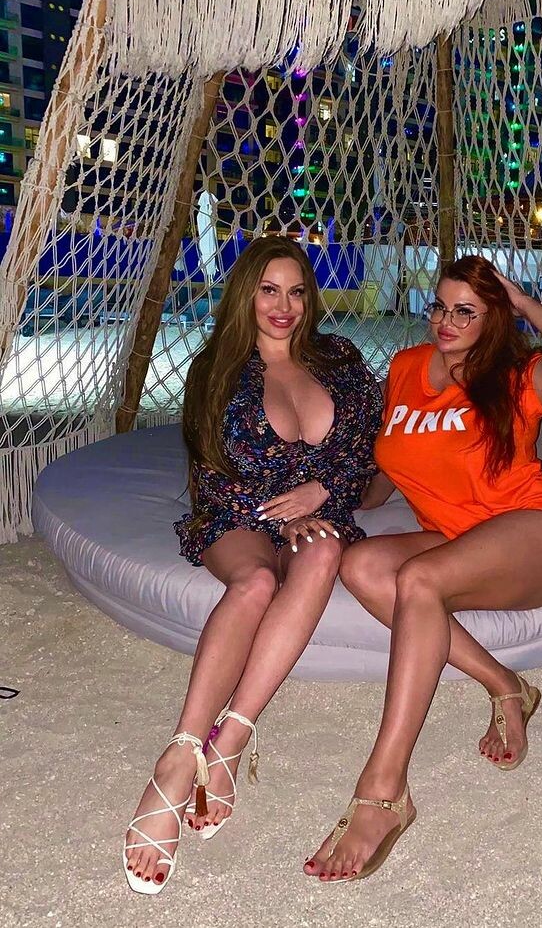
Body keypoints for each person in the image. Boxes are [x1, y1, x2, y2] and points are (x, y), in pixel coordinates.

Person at [304, 255, 542, 882]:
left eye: (466, 311)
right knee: (362, 564)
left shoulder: (516, 377)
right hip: (461, 537)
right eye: (439, 306)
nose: (446, 321)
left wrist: (516, 298)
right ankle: (507, 684)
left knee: (420, 579)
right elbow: (391, 461)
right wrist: (332, 496)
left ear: (495, 317)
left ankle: (384, 788)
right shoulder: (406, 367)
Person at [123, 236, 383, 894]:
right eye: (269, 290)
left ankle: (231, 738)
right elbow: (212, 470)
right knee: (257, 580)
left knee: (324, 550)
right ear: (246, 293)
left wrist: (323, 492)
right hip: (235, 516)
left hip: (317, 518)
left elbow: (365, 451)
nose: (283, 306)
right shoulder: (215, 368)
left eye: (296, 292)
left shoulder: (340, 359)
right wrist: (277, 513)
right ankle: (180, 757)